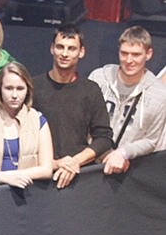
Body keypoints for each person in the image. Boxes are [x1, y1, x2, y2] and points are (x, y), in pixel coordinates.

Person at [32, 25, 113, 189]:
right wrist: (54, 164)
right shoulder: (33, 87)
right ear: (52, 49)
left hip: (79, 175)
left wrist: (74, 162)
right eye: (60, 47)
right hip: (39, 175)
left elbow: (104, 137)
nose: (64, 53)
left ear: (81, 52)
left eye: (71, 48)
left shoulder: (90, 90)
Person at [88, 26, 166, 176]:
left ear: (148, 54)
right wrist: (100, 151)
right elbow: (82, 122)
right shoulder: (98, 78)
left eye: (136, 54)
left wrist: (124, 153)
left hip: (127, 170)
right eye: (124, 53)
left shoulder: (159, 93)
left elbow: (151, 140)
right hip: (89, 162)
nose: (129, 60)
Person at [0, 63, 53, 189]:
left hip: (30, 196)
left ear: (28, 90)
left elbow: (46, 169)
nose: (14, 95)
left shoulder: (38, 121)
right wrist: (4, 178)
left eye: (20, 88)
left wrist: (11, 176)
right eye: (9, 88)